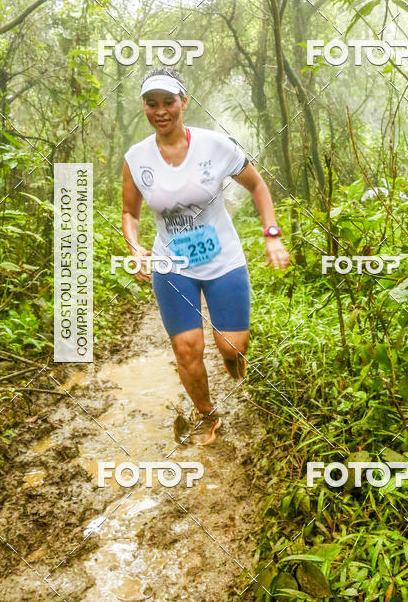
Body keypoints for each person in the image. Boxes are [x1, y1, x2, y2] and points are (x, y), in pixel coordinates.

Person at [121, 67, 290, 445]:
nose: (161, 110)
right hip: (172, 265)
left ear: (184, 102)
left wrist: (272, 235)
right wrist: (135, 247)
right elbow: (130, 213)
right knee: (186, 349)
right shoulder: (136, 158)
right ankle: (205, 413)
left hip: (223, 260)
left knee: (232, 346)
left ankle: (232, 358)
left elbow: (258, 186)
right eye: (152, 104)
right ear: (145, 108)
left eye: (168, 102)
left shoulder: (216, 146)